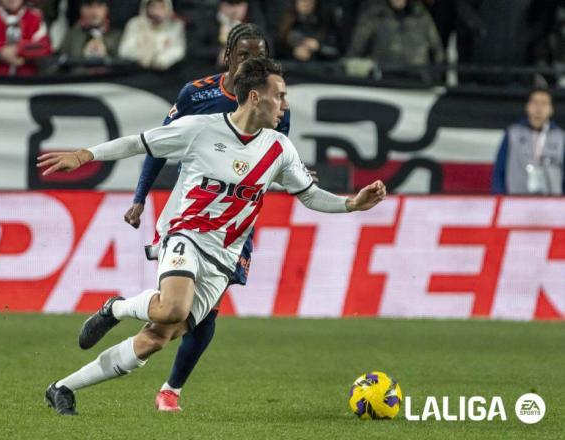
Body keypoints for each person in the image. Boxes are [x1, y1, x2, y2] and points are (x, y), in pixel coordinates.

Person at [38, 57, 387, 416]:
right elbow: (138, 143)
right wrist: (83, 155)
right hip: (186, 234)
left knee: (158, 337)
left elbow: (309, 195)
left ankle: (62, 387)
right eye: (279, 96)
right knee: (174, 307)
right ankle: (118, 307)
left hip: (224, 258)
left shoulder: (280, 149)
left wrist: (352, 204)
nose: (285, 105)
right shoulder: (200, 129)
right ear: (255, 97)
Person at [121, 23, 290, 413]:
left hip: (236, 220)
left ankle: (171, 389)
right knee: (178, 307)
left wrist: (297, 181)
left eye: (259, 56)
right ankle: (123, 316)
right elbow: (156, 146)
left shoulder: (274, 103)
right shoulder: (197, 94)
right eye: (245, 55)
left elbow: (278, 158)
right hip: (192, 212)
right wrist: (140, 198)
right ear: (228, 56)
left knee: (206, 310)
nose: (253, 62)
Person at [492, 89, 565, 195]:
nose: (539, 109)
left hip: (552, 202)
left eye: (544, 104)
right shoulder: (513, 133)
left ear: (551, 109)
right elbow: (499, 170)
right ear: (527, 106)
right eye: (535, 103)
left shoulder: (560, 136)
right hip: (516, 200)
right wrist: (499, 197)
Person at [348, 0, 443, 77]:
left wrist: (435, 78)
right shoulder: (375, 16)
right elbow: (355, 52)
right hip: (384, 79)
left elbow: (438, 52)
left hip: (418, 82)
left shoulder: (421, 17)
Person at [0, 0, 51, 75]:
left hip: (27, 82)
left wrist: (18, 50)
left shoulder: (35, 16)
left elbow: (44, 47)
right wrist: (1, 51)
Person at [117, 0, 186, 71]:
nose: (157, 11)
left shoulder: (175, 26)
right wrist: (142, 56)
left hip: (164, 73)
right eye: (153, 6)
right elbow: (124, 50)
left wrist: (160, 60)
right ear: (146, 7)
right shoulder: (135, 24)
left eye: (161, 7)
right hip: (136, 71)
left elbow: (178, 50)